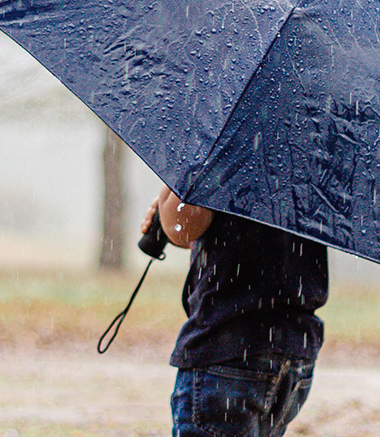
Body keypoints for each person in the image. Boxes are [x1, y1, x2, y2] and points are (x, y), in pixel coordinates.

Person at [141, 185, 329, 437]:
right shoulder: (313, 154)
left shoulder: (222, 147)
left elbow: (183, 227)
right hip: (294, 345)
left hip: (229, 346)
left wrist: (171, 195)